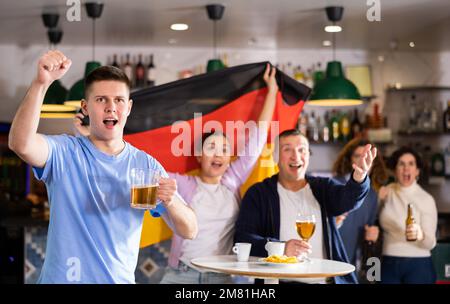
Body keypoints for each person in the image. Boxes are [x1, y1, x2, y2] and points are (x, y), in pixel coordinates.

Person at [74, 64, 279, 284]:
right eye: (211, 148)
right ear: (199, 155)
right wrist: (93, 137)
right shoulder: (181, 182)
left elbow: (257, 139)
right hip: (182, 274)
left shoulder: (233, 181)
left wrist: (272, 92)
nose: (218, 155)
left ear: (230, 158)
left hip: (223, 277)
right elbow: (136, 160)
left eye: (224, 150)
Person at [8, 50, 198, 283]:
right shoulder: (65, 152)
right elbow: (20, 143)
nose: (111, 107)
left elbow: (190, 230)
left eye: (118, 100)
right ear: (85, 107)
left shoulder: (145, 165)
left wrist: (171, 200)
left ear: (128, 107)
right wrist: (41, 83)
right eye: (101, 100)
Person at [234, 129, 377, 284]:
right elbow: (242, 238)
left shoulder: (323, 188)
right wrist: (280, 248)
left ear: (308, 155)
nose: (296, 156)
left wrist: (359, 177)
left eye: (302, 150)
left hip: (325, 281)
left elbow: (348, 199)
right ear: (275, 156)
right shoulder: (258, 194)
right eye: (287, 149)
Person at [378, 147, 437, 284]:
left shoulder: (426, 199)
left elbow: (431, 243)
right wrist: (377, 199)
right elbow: (369, 219)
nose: (406, 168)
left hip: (419, 264)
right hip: (388, 262)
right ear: (394, 170)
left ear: (417, 171)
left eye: (411, 164)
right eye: (401, 164)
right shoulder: (386, 192)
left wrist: (420, 234)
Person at [332, 138, 388, 282]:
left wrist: (373, 235)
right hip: (333, 253)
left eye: (367, 155)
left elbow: (369, 229)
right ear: (350, 160)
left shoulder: (373, 194)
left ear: (373, 161)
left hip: (356, 259)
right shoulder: (334, 184)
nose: (363, 159)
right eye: (358, 155)